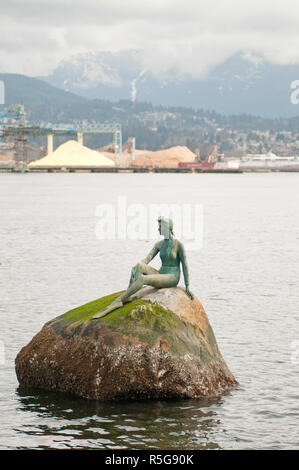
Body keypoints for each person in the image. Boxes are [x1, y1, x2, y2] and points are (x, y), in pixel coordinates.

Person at [93, 216, 194, 319]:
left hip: (172, 277)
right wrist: (137, 267)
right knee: (139, 266)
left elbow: (185, 265)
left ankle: (118, 301)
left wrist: (188, 286)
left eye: (160, 227)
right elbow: (147, 259)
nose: (158, 229)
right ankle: (128, 295)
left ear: (166, 228)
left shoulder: (178, 244)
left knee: (143, 279)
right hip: (161, 273)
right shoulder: (159, 244)